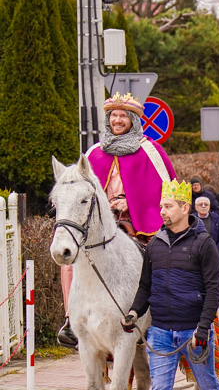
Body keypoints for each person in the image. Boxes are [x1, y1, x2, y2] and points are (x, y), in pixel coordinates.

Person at [122, 180, 219, 390]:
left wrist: (203, 328)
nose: (163, 212)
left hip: (193, 331)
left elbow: (213, 289)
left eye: (168, 207)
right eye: (161, 207)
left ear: (185, 208)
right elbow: (145, 286)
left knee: (208, 384)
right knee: (160, 389)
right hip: (160, 332)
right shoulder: (155, 245)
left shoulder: (203, 243)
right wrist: (134, 312)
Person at [60, 92, 177, 348]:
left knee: (158, 258)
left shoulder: (150, 150)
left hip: (137, 222)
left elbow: (168, 189)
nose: (118, 120)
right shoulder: (93, 153)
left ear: (134, 120)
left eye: (124, 115)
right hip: (99, 223)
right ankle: (72, 320)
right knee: (70, 261)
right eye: (114, 115)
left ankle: (163, 316)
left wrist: (131, 203)